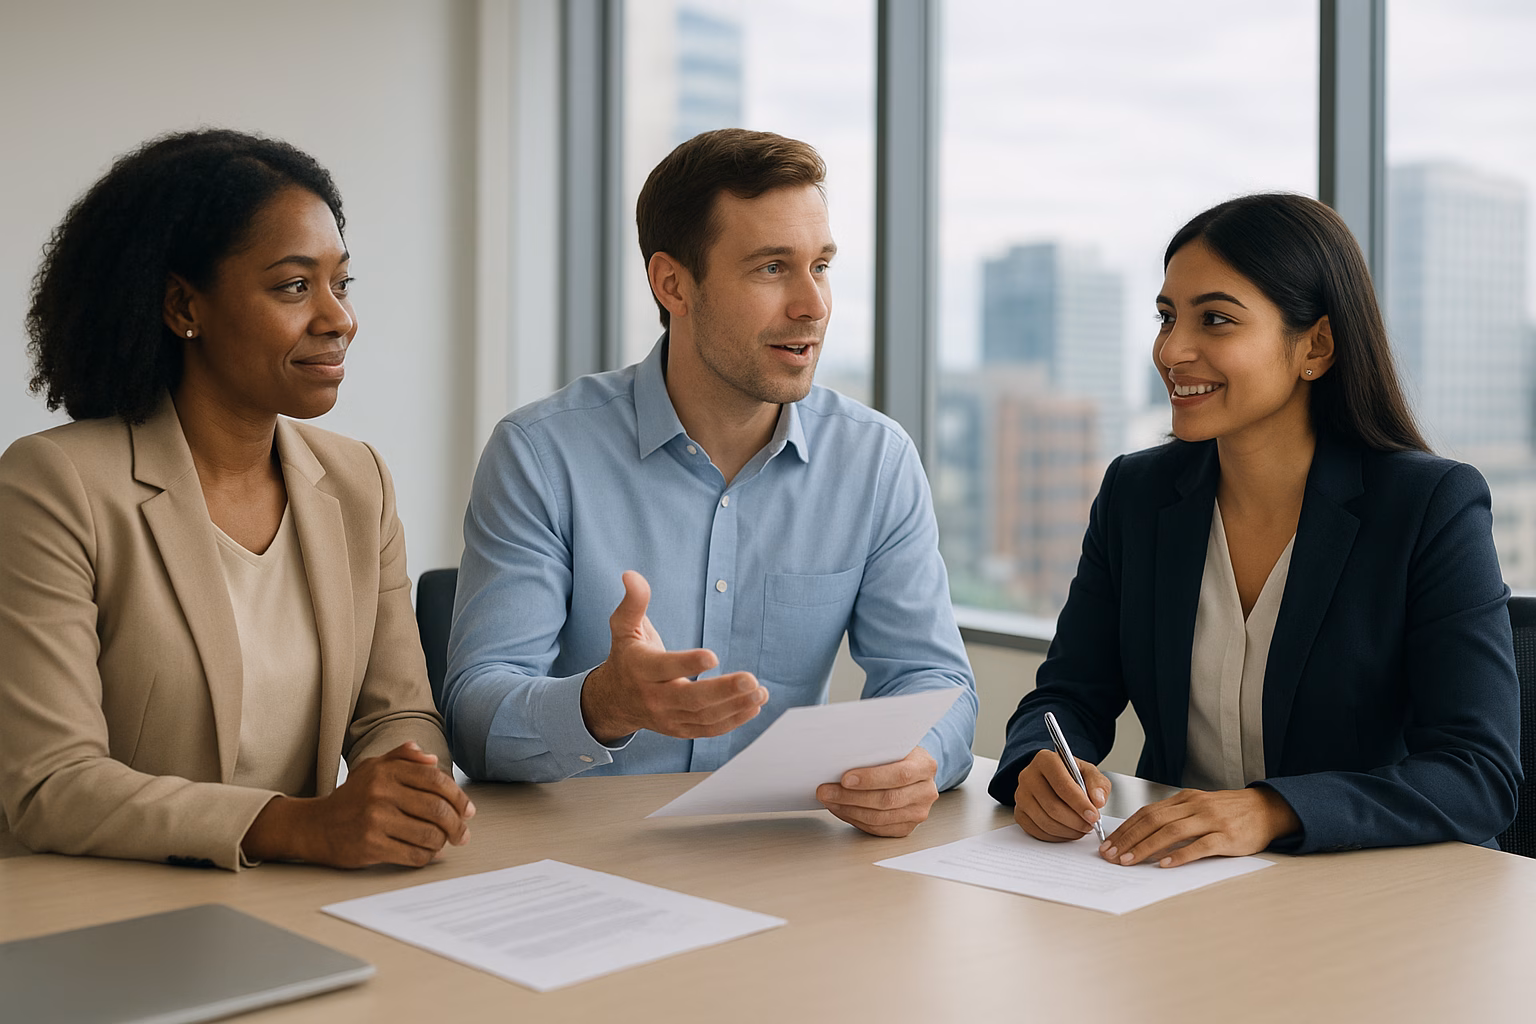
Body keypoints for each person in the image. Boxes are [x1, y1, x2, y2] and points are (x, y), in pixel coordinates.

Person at [445, 129, 977, 837]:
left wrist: (918, 761)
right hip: (585, 863)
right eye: (770, 269)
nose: (812, 304)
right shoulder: (541, 455)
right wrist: (603, 704)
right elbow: (474, 718)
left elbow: (937, 684)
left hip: (780, 860)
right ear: (674, 284)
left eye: (821, 266)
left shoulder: (875, 461)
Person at [992, 192, 1521, 865]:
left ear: (1317, 346)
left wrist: (1271, 810)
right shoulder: (1137, 493)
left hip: (1379, 891)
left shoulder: (1429, 506)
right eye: (1166, 318)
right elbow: (1069, 693)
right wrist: (1040, 760)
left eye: (1215, 320)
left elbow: (1478, 774)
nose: (1172, 350)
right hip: (1182, 887)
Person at [0, 129, 473, 870]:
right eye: (294, 287)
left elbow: (399, 711)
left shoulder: (357, 482)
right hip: (106, 911)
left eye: (340, 284)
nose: (337, 319)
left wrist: (409, 788)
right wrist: (302, 827)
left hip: (294, 899)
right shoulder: (54, 485)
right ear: (183, 304)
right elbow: (53, 784)